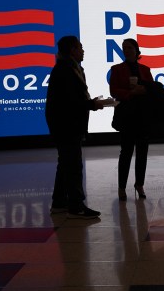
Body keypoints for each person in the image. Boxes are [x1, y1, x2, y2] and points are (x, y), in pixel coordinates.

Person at [45, 35, 107, 219]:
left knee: (65, 164)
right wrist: (91, 105)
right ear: (72, 50)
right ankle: (76, 206)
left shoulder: (71, 68)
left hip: (67, 124)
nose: (83, 50)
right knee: (72, 165)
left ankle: (59, 203)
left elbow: (74, 99)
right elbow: (70, 102)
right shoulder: (65, 70)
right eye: (80, 47)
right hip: (66, 125)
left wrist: (90, 103)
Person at [109, 38, 154, 201]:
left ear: (136, 50)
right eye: (124, 48)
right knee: (126, 152)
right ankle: (121, 187)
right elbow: (113, 90)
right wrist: (130, 93)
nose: (126, 50)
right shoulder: (116, 69)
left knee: (142, 152)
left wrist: (144, 90)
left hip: (143, 116)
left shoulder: (145, 69)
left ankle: (139, 184)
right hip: (127, 115)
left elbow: (152, 89)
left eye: (129, 47)